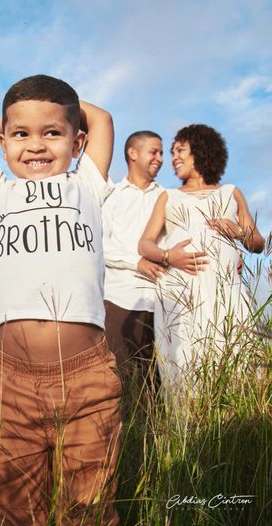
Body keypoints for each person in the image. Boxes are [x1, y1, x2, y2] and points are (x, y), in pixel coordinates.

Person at [0, 74, 121, 525]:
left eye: (52, 133)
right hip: (10, 380)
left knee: (89, 508)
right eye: (20, 135)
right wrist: (25, 110)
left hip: (86, 376)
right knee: (15, 509)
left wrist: (63, 107)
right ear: (4, 139)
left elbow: (104, 118)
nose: (35, 145)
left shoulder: (86, 184)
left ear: (78, 143)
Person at [138, 124, 265, 397]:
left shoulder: (230, 192)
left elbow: (258, 243)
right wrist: (170, 256)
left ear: (201, 151)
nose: (173, 158)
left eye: (179, 150)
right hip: (182, 296)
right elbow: (145, 244)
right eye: (172, 152)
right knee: (185, 369)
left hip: (226, 294)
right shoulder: (168, 197)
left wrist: (239, 231)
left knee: (238, 362)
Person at [102, 131, 166, 381]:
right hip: (120, 300)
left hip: (162, 301)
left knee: (160, 384)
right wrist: (137, 261)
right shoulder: (111, 196)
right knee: (122, 382)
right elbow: (100, 244)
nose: (160, 158)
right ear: (133, 153)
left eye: (161, 153)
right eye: (154, 152)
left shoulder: (168, 198)